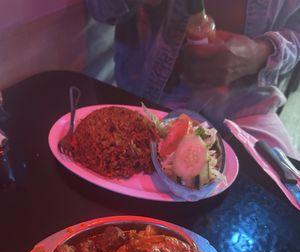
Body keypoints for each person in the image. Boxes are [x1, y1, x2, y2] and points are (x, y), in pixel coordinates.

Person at [86, 0, 300, 159]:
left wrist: (260, 53)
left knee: (285, 202)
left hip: (247, 106)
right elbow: (102, 11)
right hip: (147, 102)